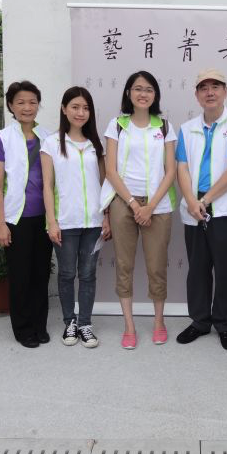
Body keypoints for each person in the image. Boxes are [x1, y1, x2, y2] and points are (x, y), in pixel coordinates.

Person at [175, 69, 227, 351]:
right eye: (203, 87)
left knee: (226, 268)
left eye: (215, 86)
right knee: (197, 268)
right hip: (193, 208)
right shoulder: (186, 129)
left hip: (224, 209)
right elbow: (181, 169)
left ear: (225, 91)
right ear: (196, 94)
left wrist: (205, 200)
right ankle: (199, 321)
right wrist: (193, 202)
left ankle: (224, 323)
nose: (210, 92)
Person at [100, 70, 177, 350]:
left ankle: (158, 322)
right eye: (137, 88)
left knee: (157, 266)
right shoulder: (117, 125)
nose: (143, 93)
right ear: (129, 93)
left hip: (159, 205)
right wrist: (134, 204)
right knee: (124, 265)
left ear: (155, 95)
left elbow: (170, 172)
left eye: (148, 89)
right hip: (124, 202)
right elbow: (110, 170)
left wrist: (151, 205)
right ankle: (129, 326)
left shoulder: (165, 126)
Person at [42, 86, 111, 349]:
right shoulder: (51, 143)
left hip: (93, 223)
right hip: (65, 221)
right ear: (64, 109)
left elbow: (105, 183)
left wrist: (106, 216)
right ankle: (69, 321)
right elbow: (48, 185)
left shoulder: (97, 145)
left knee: (88, 274)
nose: (80, 113)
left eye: (85, 108)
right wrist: (52, 220)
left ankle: (85, 323)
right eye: (75, 107)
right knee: (67, 274)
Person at [0, 81, 53, 348]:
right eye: (21, 102)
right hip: (16, 219)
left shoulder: (48, 136)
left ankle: (39, 324)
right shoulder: (3, 138)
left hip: (44, 217)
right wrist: (0, 224)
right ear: (11, 106)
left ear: (38, 104)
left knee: (41, 274)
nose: (27, 107)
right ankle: (22, 327)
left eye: (32, 102)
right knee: (21, 275)